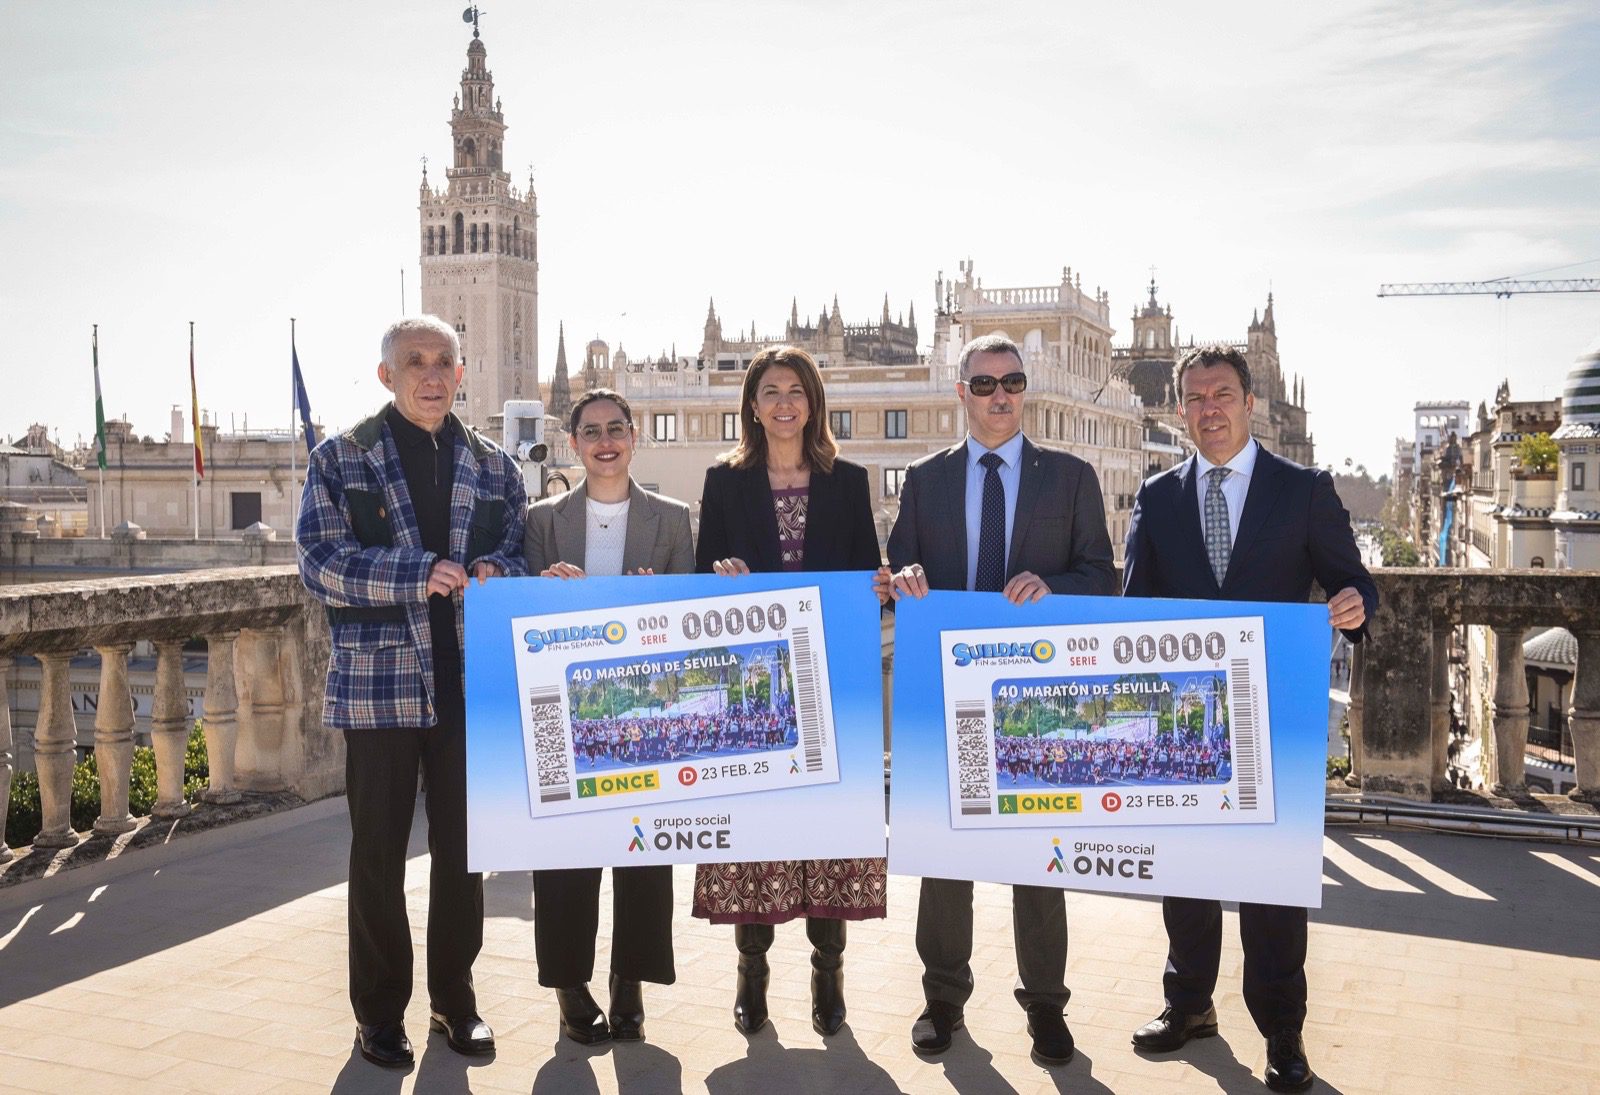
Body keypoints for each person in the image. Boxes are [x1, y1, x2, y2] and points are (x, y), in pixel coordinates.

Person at [1123, 343, 1376, 1093]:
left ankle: (1282, 1033)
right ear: (1180, 410)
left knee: (1272, 889)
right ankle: (1189, 1007)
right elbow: (1134, 614)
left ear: (1250, 401)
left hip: (1276, 719)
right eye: (1196, 397)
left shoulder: (1303, 489)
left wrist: (1358, 604)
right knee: (1187, 876)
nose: (1210, 409)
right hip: (1184, 727)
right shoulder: (1157, 496)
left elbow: (1352, 577)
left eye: (1223, 394)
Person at [881, 332, 1117, 1067]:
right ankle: (942, 999)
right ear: (961, 393)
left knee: (1036, 862)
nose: (1000, 395)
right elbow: (898, 568)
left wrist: (1056, 588)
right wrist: (905, 576)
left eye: (1011, 381)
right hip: (946, 696)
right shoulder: (923, 478)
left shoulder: (1071, 476)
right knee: (944, 855)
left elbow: (1101, 578)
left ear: (1025, 389)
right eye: (983, 384)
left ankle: (1046, 1008)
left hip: (1037, 703)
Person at [297, 315, 527, 1068]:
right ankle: (379, 1015)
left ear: (462, 374)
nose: (431, 375)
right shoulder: (341, 458)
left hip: (467, 680)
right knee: (378, 855)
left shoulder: (497, 468)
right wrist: (414, 571)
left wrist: (497, 570)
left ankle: (453, 1003)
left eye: (444, 363)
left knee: (465, 852)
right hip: (380, 686)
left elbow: (516, 555)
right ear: (386, 375)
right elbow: (320, 561)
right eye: (414, 362)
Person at [692, 345, 886, 1038]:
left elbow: (866, 575)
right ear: (751, 404)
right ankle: (752, 973)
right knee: (756, 838)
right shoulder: (723, 482)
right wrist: (721, 574)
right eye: (770, 390)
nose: (783, 402)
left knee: (831, 835)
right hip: (754, 694)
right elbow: (699, 579)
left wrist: (881, 586)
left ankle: (828, 976)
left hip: (831, 687)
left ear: (813, 403)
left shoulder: (849, 479)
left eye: (795, 390)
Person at [523, 388, 693, 1045]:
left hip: (646, 715)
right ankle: (570, 987)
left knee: (644, 859)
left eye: (616, 428)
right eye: (591, 430)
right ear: (573, 444)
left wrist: (659, 600)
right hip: (565, 716)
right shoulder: (542, 521)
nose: (604, 440)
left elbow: (685, 622)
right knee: (564, 859)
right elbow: (524, 613)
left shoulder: (673, 519)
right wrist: (545, 589)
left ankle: (630, 986)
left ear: (634, 435)